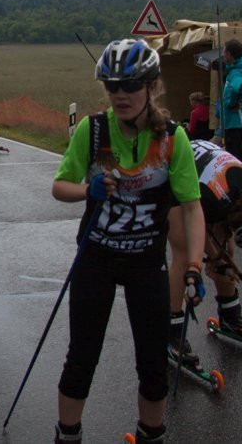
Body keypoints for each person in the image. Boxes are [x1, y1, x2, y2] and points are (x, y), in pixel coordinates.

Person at [51, 39, 205, 444]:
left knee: (153, 364)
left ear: (151, 87)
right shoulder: (92, 130)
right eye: (112, 86)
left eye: (131, 85)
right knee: (82, 356)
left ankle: (150, 434)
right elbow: (59, 186)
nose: (120, 94)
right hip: (96, 259)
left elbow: (192, 208)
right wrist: (86, 190)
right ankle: (67, 435)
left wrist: (194, 264)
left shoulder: (172, 139)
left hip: (145, 262)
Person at [167, 139, 242, 368]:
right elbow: (197, 229)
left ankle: (230, 315)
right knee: (185, 254)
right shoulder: (213, 199)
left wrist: (222, 257)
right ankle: (170, 331)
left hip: (212, 179)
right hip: (177, 172)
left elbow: (225, 233)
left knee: (226, 252)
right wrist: (213, 258)